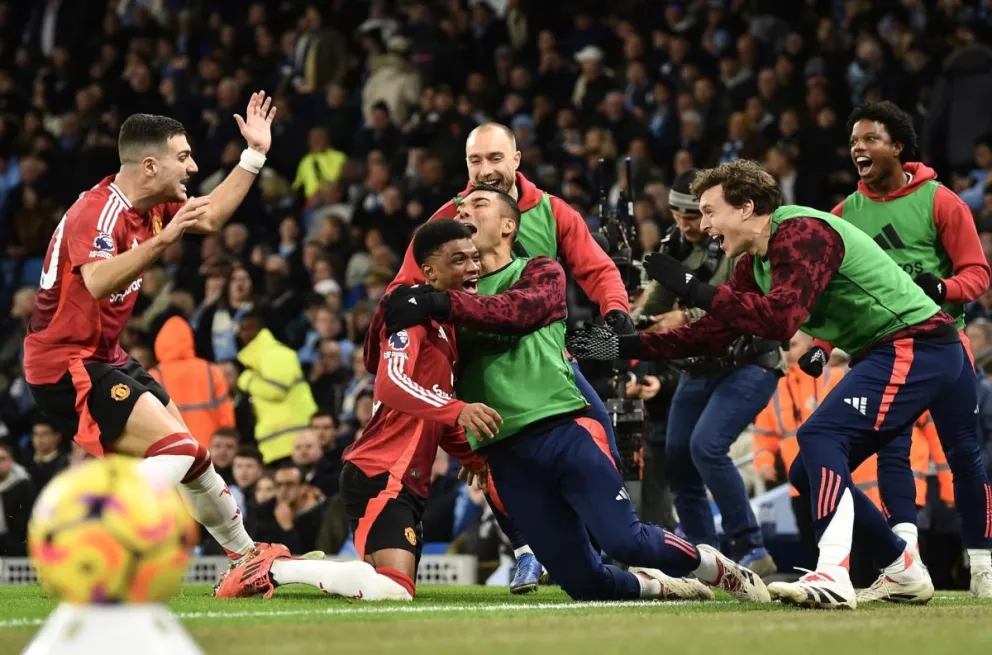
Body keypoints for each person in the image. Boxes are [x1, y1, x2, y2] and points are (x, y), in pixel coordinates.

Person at [565, 159, 992, 608]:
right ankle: (901, 567)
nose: (705, 225)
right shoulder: (757, 262)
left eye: (710, 211)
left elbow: (780, 320)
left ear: (747, 208)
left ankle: (832, 573)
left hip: (916, 343)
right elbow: (713, 331)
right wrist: (626, 345)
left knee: (820, 435)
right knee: (806, 471)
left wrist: (692, 287)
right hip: (901, 349)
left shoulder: (803, 233)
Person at [384, 185, 770, 604]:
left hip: (565, 428)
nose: (464, 209)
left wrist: (437, 304)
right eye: (460, 205)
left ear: (509, 225)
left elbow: (517, 313)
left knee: (626, 542)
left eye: (479, 204)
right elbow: (414, 372)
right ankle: (662, 586)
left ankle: (714, 566)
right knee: (584, 583)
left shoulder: (540, 272)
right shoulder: (444, 302)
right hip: (505, 455)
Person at [367, 122, 634, 592]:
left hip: (547, 364)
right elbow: (405, 286)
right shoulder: (447, 220)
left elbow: (597, 268)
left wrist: (615, 311)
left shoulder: (552, 212)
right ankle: (528, 550)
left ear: (516, 160)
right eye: (475, 161)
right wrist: (403, 314)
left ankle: (612, 541)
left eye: (494, 159)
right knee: (489, 463)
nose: (485, 170)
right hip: (475, 368)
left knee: (600, 438)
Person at [23, 93, 283, 571]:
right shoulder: (97, 212)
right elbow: (98, 280)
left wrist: (254, 155)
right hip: (65, 364)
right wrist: (164, 241)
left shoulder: (151, 207)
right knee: (179, 449)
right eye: (183, 157)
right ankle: (93, 533)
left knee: (194, 458)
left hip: (106, 355)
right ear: (149, 165)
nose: (192, 167)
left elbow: (211, 216)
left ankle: (246, 561)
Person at [214, 219, 493, 601]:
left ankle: (291, 567)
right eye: (458, 260)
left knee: (383, 586)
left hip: (404, 479)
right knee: (395, 591)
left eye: (475, 258)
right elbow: (391, 384)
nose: (473, 267)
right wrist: (458, 409)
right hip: (381, 473)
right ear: (430, 272)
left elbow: (432, 413)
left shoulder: (445, 332)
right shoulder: (411, 321)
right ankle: (273, 566)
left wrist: (469, 454)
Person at [802, 101, 990, 603]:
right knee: (892, 450)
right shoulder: (844, 214)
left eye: (869, 139)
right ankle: (905, 557)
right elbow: (833, 292)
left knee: (963, 453)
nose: (857, 148)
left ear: (899, 147)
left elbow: (978, 274)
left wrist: (941, 288)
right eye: (853, 142)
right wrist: (821, 344)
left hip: (942, 345)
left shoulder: (941, 201)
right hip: (883, 348)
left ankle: (984, 563)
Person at [634, 169, 781, 574]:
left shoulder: (736, 240)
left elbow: (732, 303)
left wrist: (683, 317)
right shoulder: (675, 243)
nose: (687, 225)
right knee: (678, 458)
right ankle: (705, 559)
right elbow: (654, 303)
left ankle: (750, 548)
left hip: (749, 361)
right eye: (679, 216)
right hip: (697, 368)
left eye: (695, 216)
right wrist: (629, 320)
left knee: (707, 447)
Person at [149, 315, 235, 447]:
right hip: (209, 449)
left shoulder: (154, 376)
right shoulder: (211, 370)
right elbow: (226, 415)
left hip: (175, 451)